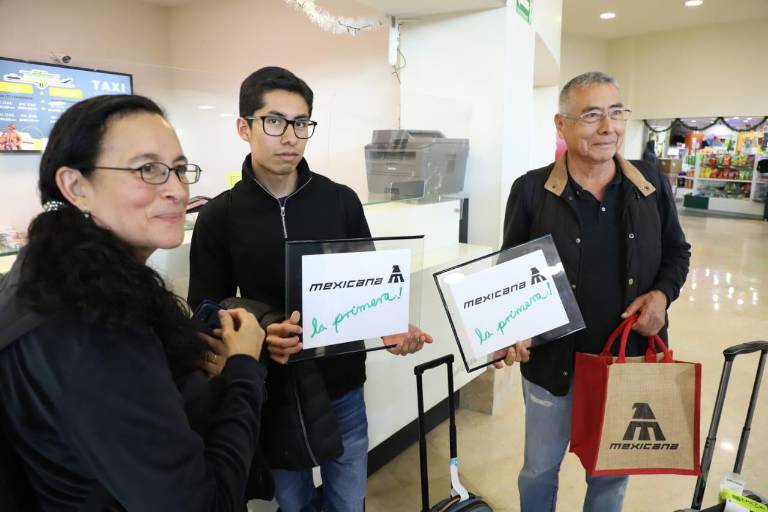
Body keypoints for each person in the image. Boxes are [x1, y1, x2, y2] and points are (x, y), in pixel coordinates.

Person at [0, 94, 268, 511]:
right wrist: (244, 368)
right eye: (148, 169)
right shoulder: (88, 322)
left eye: (179, 169)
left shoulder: (63, 276)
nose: (177, 190)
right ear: (76, 186)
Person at [188, 66, 432, 512]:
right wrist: (261, 333)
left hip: (342, 383)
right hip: (274, 390)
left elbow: (369, 284)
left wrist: (390, 325)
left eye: (301, 123)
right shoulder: (220, 214)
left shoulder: (340, 200)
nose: (290, 137)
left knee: (348, 500)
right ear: (244, 127)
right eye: (274, 121)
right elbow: (205, 308)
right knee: (294, 502)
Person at [496, 71, 691, 512]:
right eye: (591, 115)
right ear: (561, 124)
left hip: (626, 361)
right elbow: (510, 271)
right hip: (553, 364)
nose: (608, 127)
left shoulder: (649, 184)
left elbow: (677, 252)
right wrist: (511, 328)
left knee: (611, 473)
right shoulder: (532, 190)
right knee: (539, 469)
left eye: (616, 113)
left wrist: (662, 296)